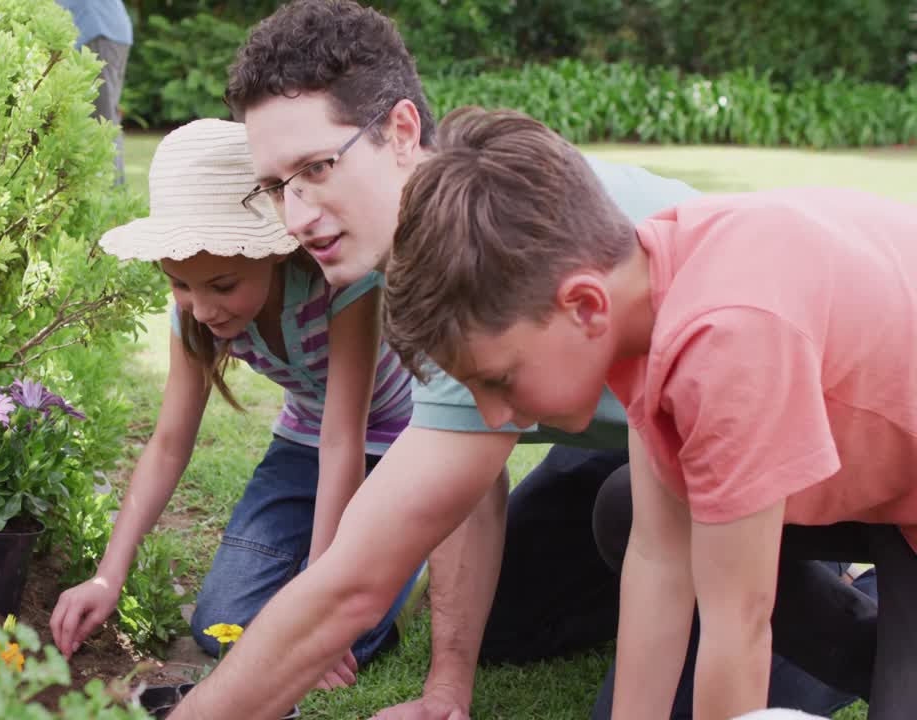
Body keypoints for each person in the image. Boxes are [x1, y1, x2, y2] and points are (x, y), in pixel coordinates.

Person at [168, 2, 865, 718]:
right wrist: (448, 688)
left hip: (778, 437)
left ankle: (856, 607)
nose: (298, 216)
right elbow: (462, 472)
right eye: (280, 186)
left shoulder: (503, 244)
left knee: (705, 659)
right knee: (510, 620)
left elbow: (353, 585)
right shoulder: (401, 265)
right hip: (636, 449)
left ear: (402, 131)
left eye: (317, 167)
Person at [381, 106, 917, 718]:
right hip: (874, 469)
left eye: (499, 380)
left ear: (583, 305)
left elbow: (736, 624)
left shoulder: (727, 339)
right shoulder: (643, 290)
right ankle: (879, 656)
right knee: (625, 507)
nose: (496, 415)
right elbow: (661, 559)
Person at [47, 119, 423, 681]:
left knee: (343, 639)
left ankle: (407, 559)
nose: (202, 308)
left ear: (272, 251)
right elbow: (170, 443)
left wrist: (316, 608)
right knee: (221, 624)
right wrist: (108, 575)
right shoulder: (196, 314)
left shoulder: (342, 286)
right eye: (180, 283)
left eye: (222, 286)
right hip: (303, 442)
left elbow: (345, 439)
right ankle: (342, 565)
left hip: (394, 448)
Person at [59, 0, 132, 182]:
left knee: (101, 126)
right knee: (102, 123)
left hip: (96, 30)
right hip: (102, 30)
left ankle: (113, 201)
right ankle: (113, 198)